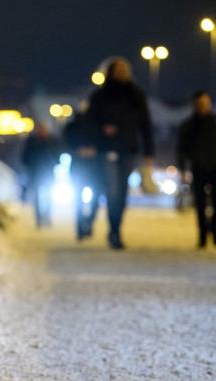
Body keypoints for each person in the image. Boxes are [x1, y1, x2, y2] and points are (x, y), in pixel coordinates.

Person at [87, 58, 154, 249]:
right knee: (112, 190)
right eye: (117, 70)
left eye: (124, 70)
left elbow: (145, 124)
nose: (121, 74)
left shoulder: (136, 96)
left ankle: (116, 228)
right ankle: (113, 230)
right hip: (106, 148)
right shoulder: (100, 96)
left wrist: (149, 151)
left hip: (127, 149)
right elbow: (89, 122)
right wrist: (101, 131)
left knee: (122, 192)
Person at [177, 90, 216, 248]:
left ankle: (215, 229)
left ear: (209, 103)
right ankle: (203, 235)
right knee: (200, 204)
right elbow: (181, 149)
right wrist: (182, 169)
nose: (202, 106)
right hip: (198, 169)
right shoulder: (188, 125)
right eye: (199, 103)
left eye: (204, 102)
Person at [64, 106, 102, 240]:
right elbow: (66, 143)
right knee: (84, 198)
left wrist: (93, 150)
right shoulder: (73, 127)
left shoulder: (95, 126)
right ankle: (83, 227)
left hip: (90, 167)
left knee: (89, 198)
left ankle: (85, 224)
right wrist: (78, 150)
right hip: (81, 166)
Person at [21, 123, 59, 227]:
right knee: (37, 197)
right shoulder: (33, 141)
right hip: (36, 172)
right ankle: (39, 219)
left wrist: (54, 163)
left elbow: (57, 154)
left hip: (48, 172)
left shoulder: (51, 141)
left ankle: (47, 216)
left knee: (49, 195)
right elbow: (25, 157)